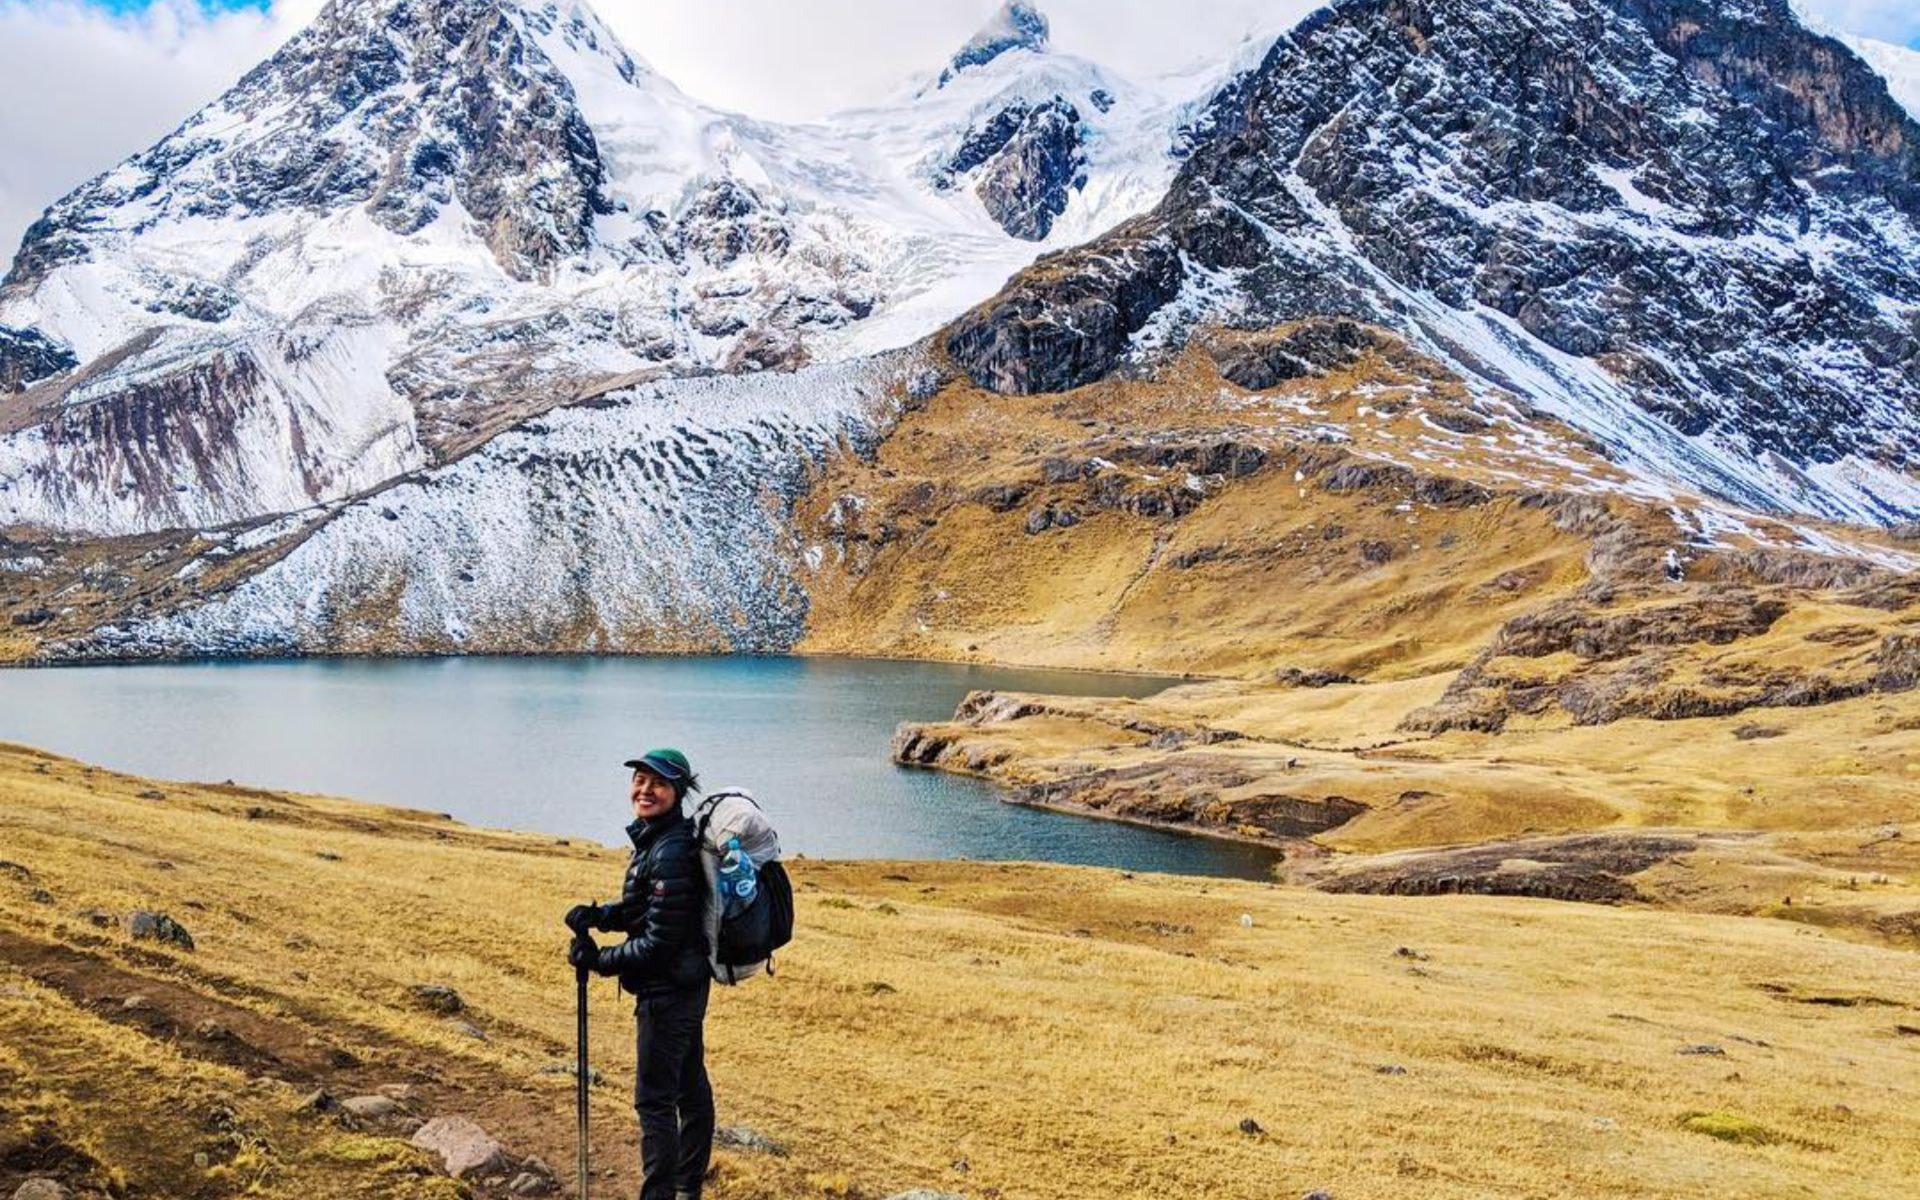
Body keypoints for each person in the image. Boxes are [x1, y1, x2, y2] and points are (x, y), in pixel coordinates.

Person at [566, 748, 714, 1200]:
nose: (645, 790)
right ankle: (687, 1187)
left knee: (654, 1102)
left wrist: (598, 961)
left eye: (659, 783)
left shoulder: (670, 850)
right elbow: (649, 908)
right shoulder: (662, 839)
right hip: (684, 987)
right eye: (640, 780)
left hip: (667, 993)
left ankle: (664, 1194)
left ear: (678, 792)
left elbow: (658, 944)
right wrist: (600, 916)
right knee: (689, 1087)